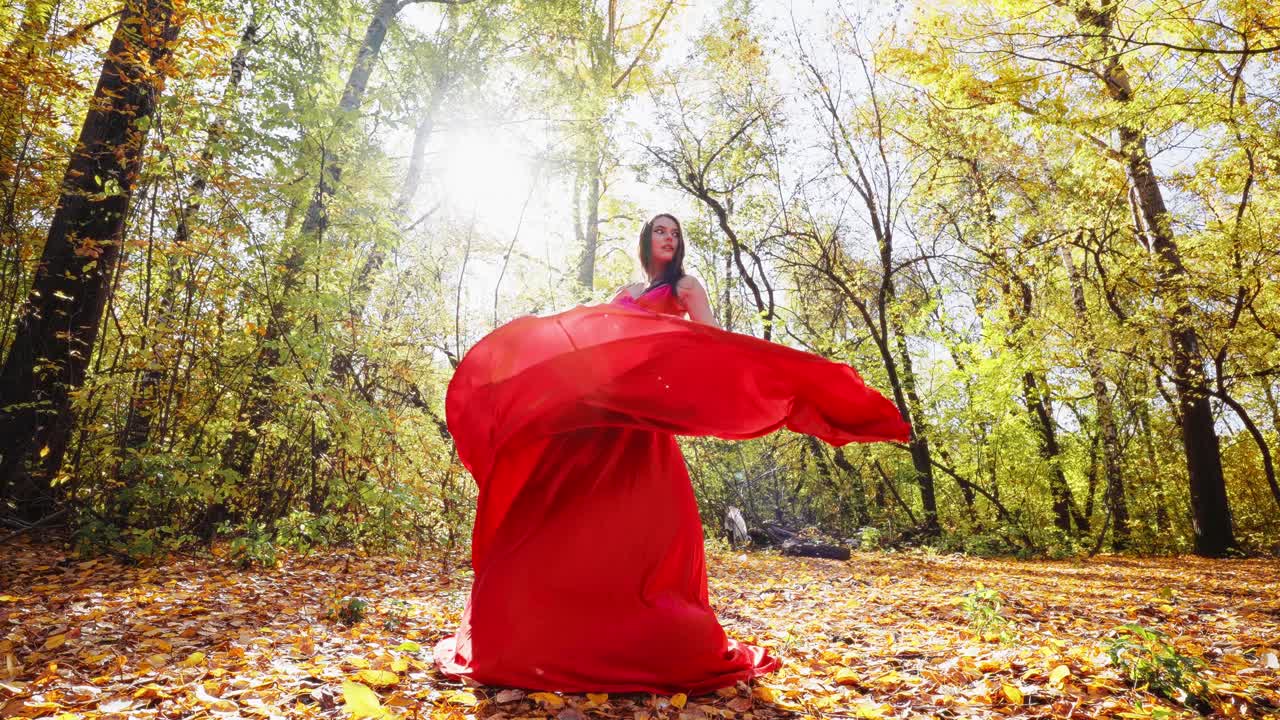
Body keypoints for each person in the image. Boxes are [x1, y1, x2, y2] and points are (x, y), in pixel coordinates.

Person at [433, 213, 910, 695]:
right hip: (596, 418)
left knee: (633, 538)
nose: (669, 238)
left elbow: (712, 346)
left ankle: (635, 638)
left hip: (639, 429)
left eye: (675, 233)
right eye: (661, 231)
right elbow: (601, 345)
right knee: (547, 523)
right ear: (646, 240)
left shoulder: (686, 285)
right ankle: (530, 637)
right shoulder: (625, 290)